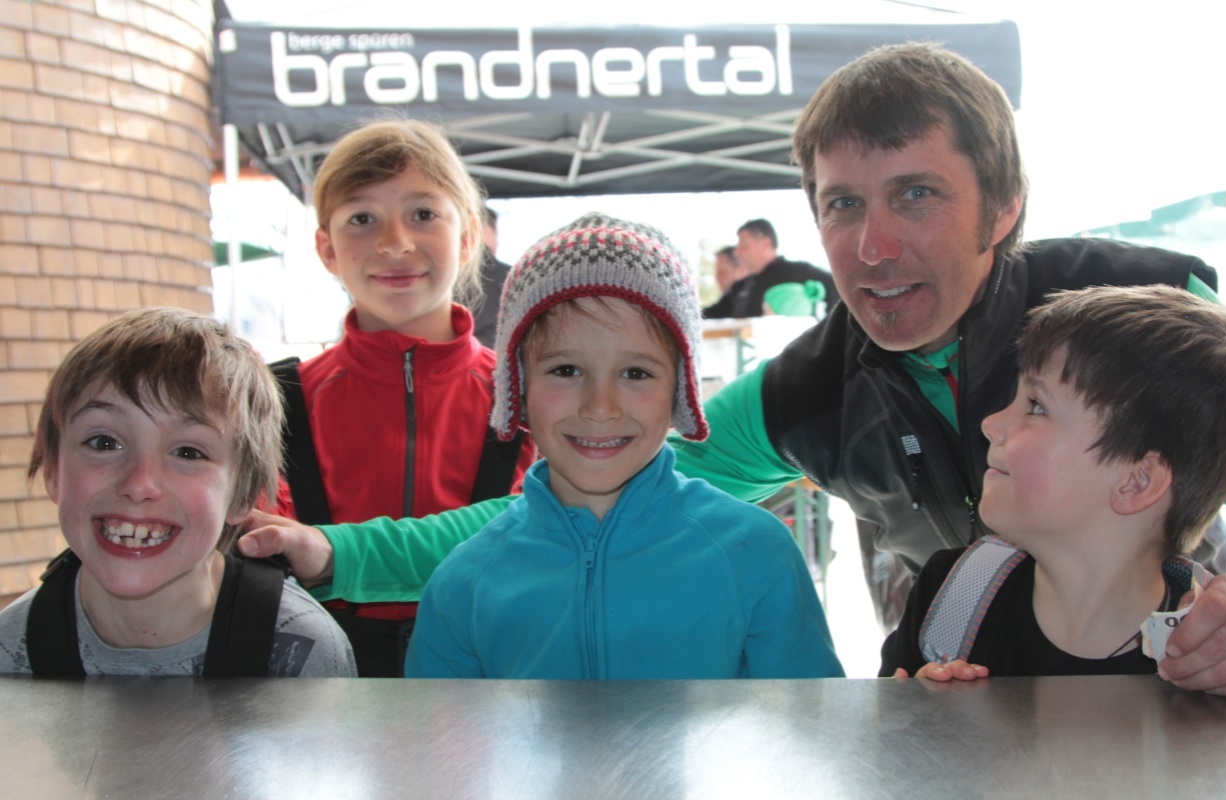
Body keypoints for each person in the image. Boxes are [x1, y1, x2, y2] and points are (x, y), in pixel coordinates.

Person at [240, 43, 1226, 695]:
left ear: (1004, 205)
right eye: (842, 203)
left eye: (916, 195)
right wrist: (335, 552)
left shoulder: (1129, 331)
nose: (872, 245)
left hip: (1185, 686)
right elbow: (568, 501)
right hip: (961, 685)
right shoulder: (808, 391)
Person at [405, 212, 843, 679]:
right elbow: (443, 728)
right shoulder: (464, 582)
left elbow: (806, 719)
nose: (600, 407)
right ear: (518, 388)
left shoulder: (757, 554)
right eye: (565, 370)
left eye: (636, 373)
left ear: (680, 391)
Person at [879, 285, 1226, 680]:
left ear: (1137, 482)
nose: (991, 424)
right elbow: (888, 722)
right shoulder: (949, 600)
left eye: (1036, 407)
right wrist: (923, 710)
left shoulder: (1223, 658)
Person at [271, 119, 536, 676]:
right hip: (325, 685)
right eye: (362, 219)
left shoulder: (529, 398)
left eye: (423, 214)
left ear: (468, 237)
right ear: (327, 248)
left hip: (494, 678)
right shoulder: (274, 403)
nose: (395, 243)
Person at [0, 308, 355, 676]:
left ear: (244, 494)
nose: (139, 485)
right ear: (53, 471)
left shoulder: (302, 654)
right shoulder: (9, 655)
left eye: (188, 452)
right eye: (104, 442)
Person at [702, 219, 837, 319]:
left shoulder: (798, 272)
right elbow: (711, 314)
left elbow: (835, 286)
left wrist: (827, 330)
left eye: (743, 245)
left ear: (766, 243)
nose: (737, 252)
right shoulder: (741, 286)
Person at [473, 204, 512, 349]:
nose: (498, 241)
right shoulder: (512, 276)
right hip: (498, 357)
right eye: (495, 232)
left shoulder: (440, 279)